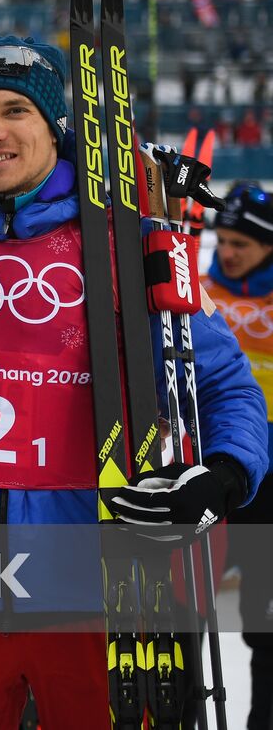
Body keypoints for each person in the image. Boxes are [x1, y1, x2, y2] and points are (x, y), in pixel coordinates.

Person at [0, 32, 267, 728]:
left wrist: (225, 474)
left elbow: (226, 380)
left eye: (14, 110)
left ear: (53, 126)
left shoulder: (125, 241)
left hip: (101, 594)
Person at [203, 182, 273, 727]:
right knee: (181, 614)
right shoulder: (201, 290)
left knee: (265, 625)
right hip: (217, 466)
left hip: (270, 483)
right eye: (222, 239)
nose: (227, 251)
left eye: (241, 244)